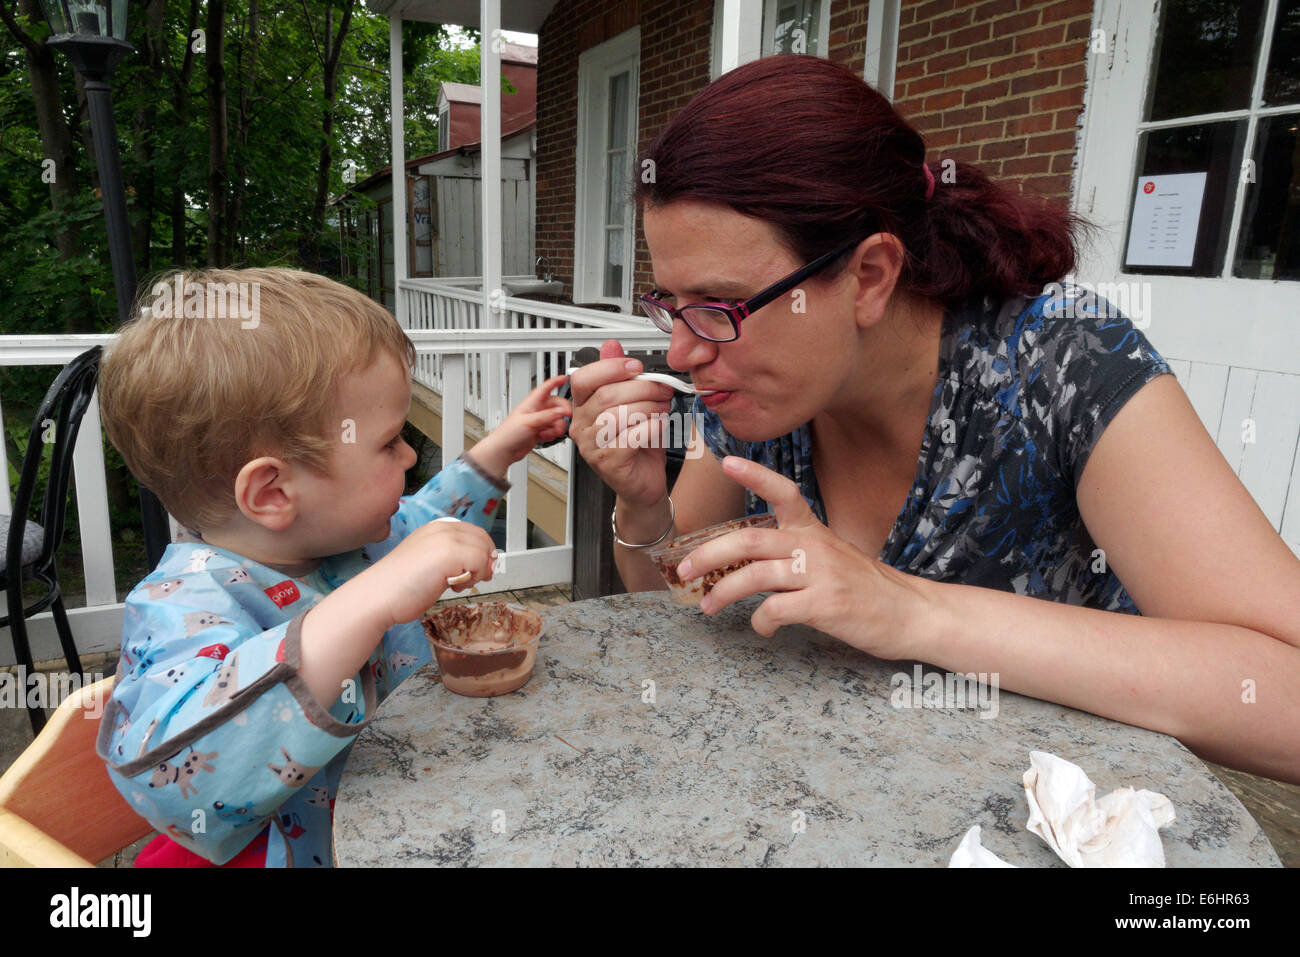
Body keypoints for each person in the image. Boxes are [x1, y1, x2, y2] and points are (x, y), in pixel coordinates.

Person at [567, 55, 1300, 784]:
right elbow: (674, 597)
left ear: (871, 276)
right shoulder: (760, 392)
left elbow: (1285, 695)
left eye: (719, 306)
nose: (683, 350)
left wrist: (910, 610)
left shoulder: (1065, 361)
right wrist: (642, 502)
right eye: (669, 302)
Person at [94, 267, 571, 866]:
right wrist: (369, 600)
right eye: (391, 441)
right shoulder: (183, 607)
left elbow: (422, 521)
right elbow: (170, 772)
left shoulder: (348, 537)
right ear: (272, 492)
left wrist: (501, 449)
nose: (408, 455)